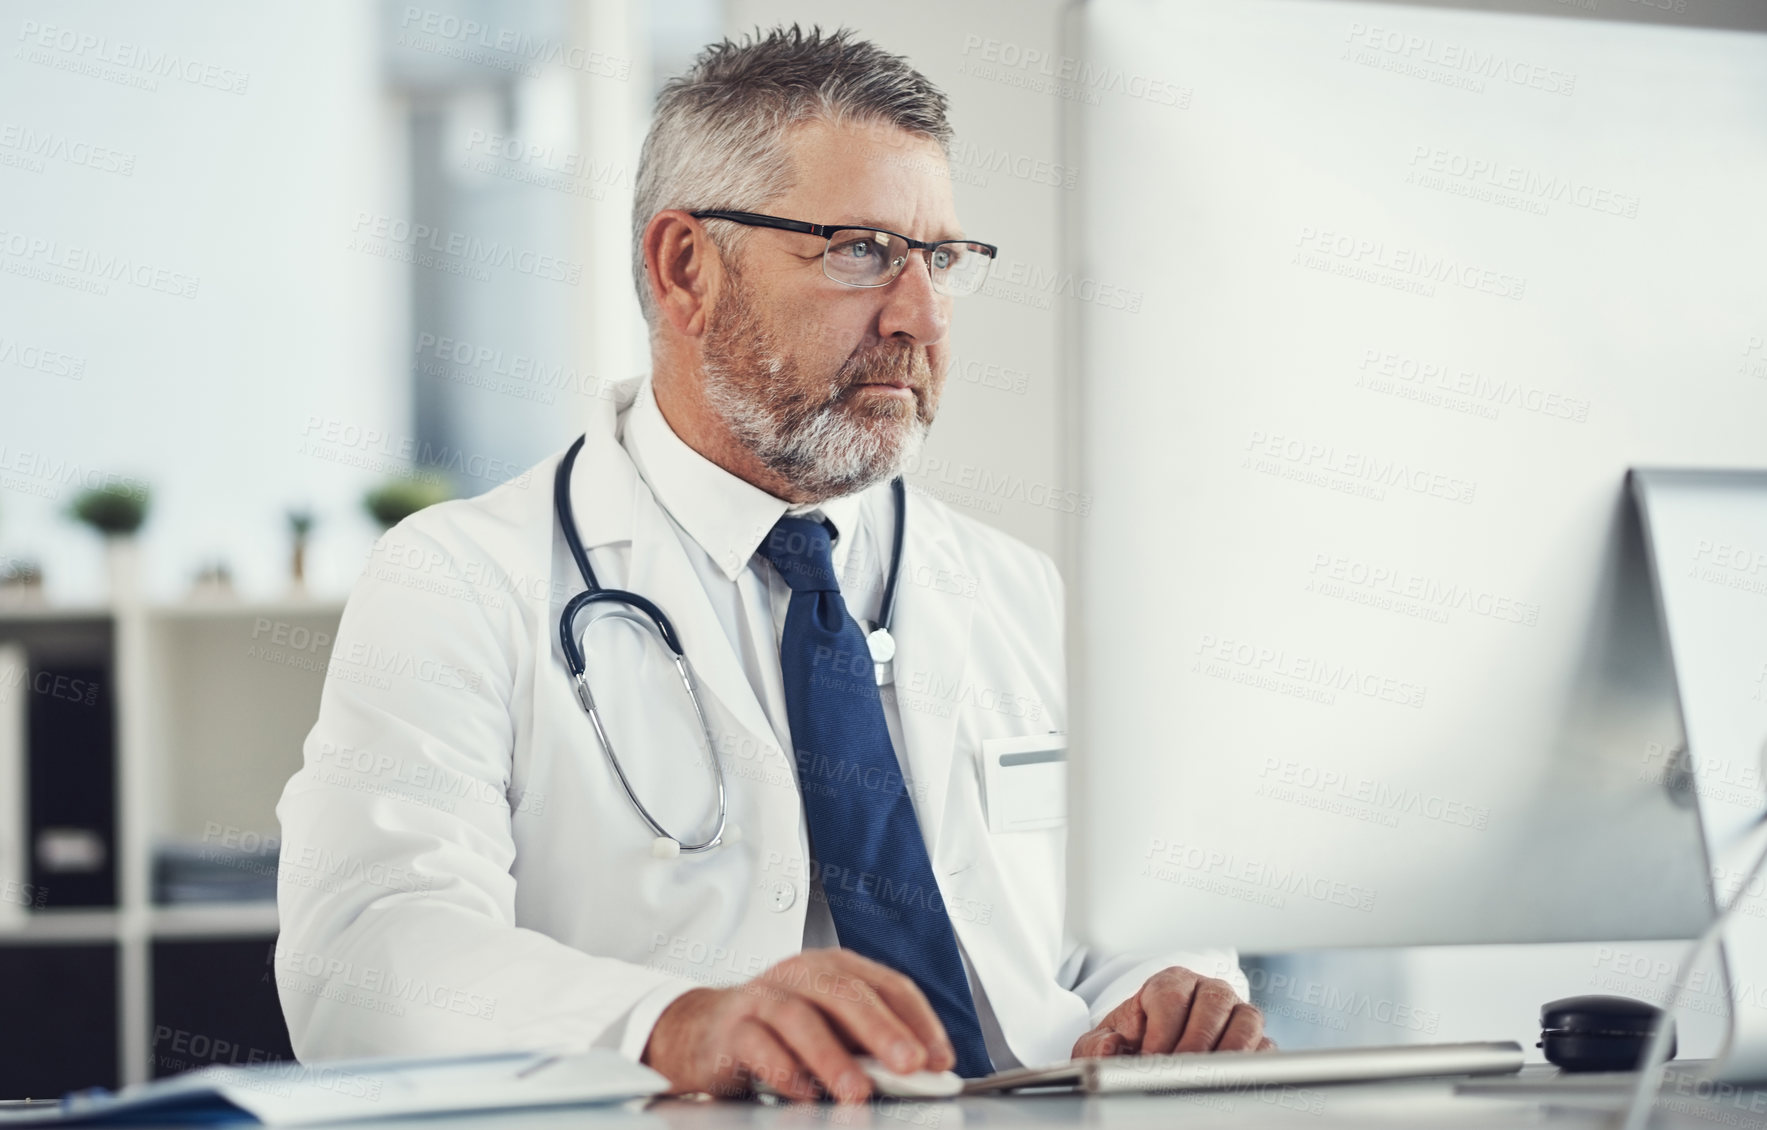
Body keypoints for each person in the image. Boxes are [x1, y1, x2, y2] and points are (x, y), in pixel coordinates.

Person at [274, 25, 1269, 1105]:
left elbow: (1103, 936)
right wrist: (673, 1021)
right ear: (686, 267)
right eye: (859, 250)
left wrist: (1177, 986)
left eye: (940, 258)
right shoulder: (459, 583)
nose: (921, 316)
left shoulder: (1016, 588)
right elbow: (367, 952)